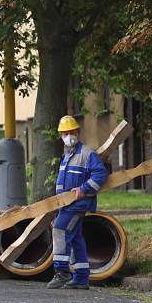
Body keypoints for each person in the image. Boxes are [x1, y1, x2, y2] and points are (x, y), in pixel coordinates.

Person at [47, 115, 108, 290]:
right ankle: (81, 278)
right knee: (76, 239)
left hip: (76, 206)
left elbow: (100, 174)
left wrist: (84, 189)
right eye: (64, 133)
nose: (68, 135)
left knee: (59, 231)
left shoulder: (87, 154)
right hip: (65, 205)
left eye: (71, 132)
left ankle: (62, 273)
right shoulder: (67, 156)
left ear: (78, 132)